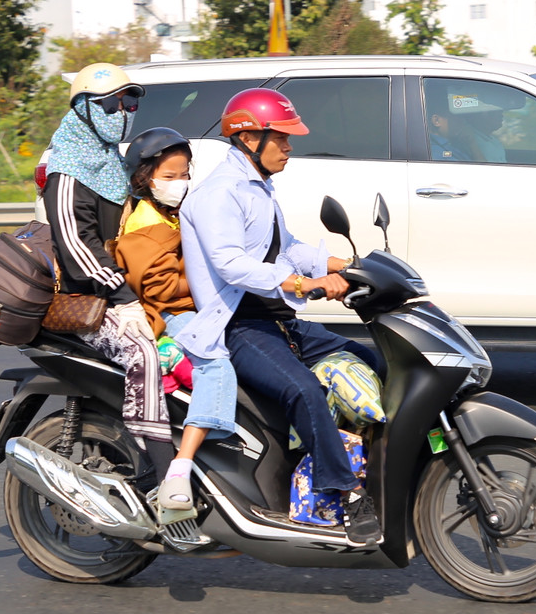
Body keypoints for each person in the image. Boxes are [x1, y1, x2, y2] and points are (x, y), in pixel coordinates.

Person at [174, 88, 384, 545]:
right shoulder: (219, 194)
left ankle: (377, 461)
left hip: (278, 320)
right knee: (304, 390)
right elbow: (230, 263)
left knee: (369, 358)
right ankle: (347, 494)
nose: (289, 147)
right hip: (238, 325)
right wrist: (301, 284)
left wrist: (349, 266)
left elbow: (288, 247)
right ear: (249, 138)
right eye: (282, 138)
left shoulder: (257, 187)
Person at [43, 63, 173, 477]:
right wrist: (124, 298)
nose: (122, 112)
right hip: (88, 300)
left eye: (128, 103)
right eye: (110, 104)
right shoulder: (66, 172)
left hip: (121, 291)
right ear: (82, 108)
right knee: (142, 352)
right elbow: (78, 247)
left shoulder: (111, 163)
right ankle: (160, 469)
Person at [111, 127, 238, 522]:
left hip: (193, 308)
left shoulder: (172, 214)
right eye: (169, 176)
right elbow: (163, 290)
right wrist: (210, 282)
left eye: (184, 174)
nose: (179, 183)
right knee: (215, 364)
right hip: (170, 315)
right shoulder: (144, 224)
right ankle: (181, 468)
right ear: (144, 179)